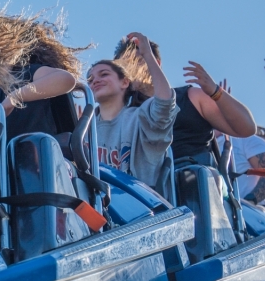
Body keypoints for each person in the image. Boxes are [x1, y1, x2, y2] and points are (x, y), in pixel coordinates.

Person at [113, 38, 255, 165]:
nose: (131, 70)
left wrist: (214, 91)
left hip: (195, 184)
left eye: (137, 61)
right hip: (145, 189)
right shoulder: (123, 115)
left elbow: (246, 128)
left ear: (156, 63)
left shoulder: (190, 97)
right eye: (124, 66)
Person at [87, 33, 176, 187]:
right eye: (90, 79)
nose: (95, 80)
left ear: (125, 82)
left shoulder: (141, 117)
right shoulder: (85, 130)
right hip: (96, 205)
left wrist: (147, 55)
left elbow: (164, 104)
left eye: (104, 74)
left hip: (140, 204)